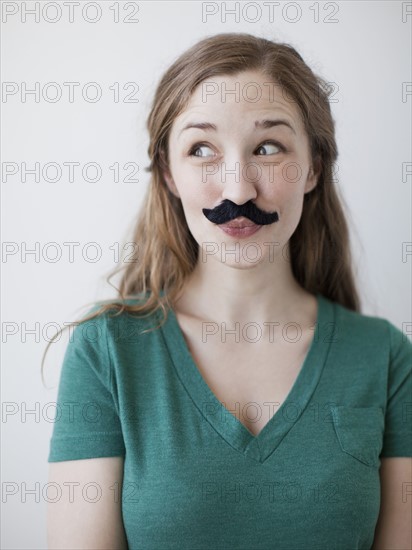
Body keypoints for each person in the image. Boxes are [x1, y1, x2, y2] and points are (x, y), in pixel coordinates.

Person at [44, 33, 412, 549]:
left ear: (312, 168)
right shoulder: (106, 351)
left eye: (267, 147)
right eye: (202, 149)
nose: (238, 189)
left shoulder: (388, 359)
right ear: (169, 174)